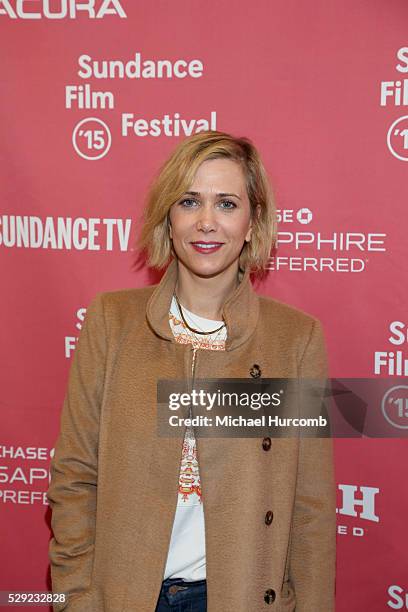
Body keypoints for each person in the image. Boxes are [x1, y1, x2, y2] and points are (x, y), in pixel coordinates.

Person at [47, 130, 336, 612]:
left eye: (226, 203)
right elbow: (75, 477)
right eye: (189, 201)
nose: (207, 223)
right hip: (122, 597)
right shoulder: (112, 322)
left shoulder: (294, 340)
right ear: (169, 216)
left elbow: (311, 509)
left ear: (252, 221)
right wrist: (74, 598)